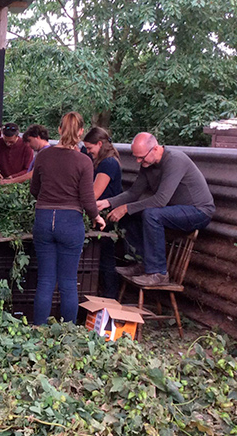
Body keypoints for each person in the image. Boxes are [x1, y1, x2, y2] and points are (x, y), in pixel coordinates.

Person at [97, 132, 215, 285]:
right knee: (129, 215)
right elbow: (133, 193)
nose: (138, 161)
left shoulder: (175, 160)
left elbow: (160, 200)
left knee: (151, 214)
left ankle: (158, 273)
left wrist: (126, 208)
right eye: (136, 157)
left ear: (155, 149)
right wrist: (107, 203)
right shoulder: (148, 164)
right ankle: (141, 263)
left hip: (198, 211)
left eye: (141, 157)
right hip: (175, 210)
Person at [30, 112, 105, 325]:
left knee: (45, 280)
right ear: (81, 132)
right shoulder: (84, 161)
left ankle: (38, 333)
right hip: (70, 223)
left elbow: (34, 189)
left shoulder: (43, 156)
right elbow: (87, 198)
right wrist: (97, 217)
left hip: (43, 220)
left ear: (59, 129)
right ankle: (67, 335)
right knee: (68, 283)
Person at [83, 127, 122, 298]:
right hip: (100, 213)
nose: (88, 151)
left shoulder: (108, 163)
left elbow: (94, 194)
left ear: (100, 144)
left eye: (90, 148)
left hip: (107, 216)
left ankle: (109, 297)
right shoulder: (102, 162)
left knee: (105, 256)